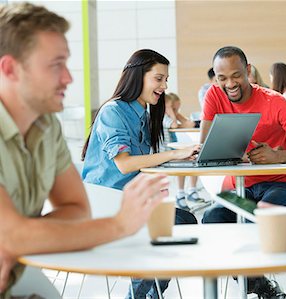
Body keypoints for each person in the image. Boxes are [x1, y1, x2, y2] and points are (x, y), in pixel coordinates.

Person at [0, 3, 169, 299]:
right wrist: (118, 225)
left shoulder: (47, 127)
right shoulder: (113, 111)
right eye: (55, 65)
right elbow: (13, 234)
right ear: (10, 69)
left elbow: (78, 210)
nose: (69, 78)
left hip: (15, 276)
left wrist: (22, 237)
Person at [201, 46, 286, 299]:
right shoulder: (214, 96)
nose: (229, 84)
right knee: (213, 220)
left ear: (248, 71)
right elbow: (206, 150)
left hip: (283, 184)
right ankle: (259, 285)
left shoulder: (274, 101)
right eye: (221, 77)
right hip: (239, 187)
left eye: (236, 75)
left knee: (261, 216)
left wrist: (278, 156)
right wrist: (229, 154)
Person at [81, 50, 199, 299]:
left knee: (185, 221)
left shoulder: (143, 113)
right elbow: (125, 164)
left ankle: (147, 295)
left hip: (129, 201)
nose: (164, 86)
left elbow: (143, 163)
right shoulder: (114, 111)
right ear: (138, 76)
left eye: (166, 79)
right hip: (107, 204)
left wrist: (179, 158)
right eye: (159, 79)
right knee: (178, 224)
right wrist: (173, 155)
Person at [163, 92, 205, 210]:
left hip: (171, 149)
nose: (175, 112)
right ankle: (181, 194)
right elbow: (175, 125)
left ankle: (190, 191)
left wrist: (174, 112)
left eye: (177, 109)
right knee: (185, 162)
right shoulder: (163, 116)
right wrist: (170, 111)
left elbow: (189, 124)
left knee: (192, 158)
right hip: (165, 152)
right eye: (173, 108)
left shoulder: (169, 117)